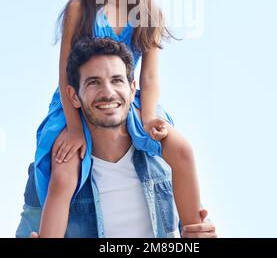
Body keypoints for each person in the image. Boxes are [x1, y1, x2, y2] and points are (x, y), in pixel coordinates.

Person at [34, 0, 202, 237]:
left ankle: (196, 229)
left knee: (179, 147)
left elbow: (149, 74)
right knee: (64, 169)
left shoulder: (148, 11)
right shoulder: (79, 9)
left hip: (129, 97)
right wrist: (74, 128)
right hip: (79, 99)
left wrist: (149, 116)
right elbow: (64, 75)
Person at [16, 37, 217, 238]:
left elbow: (195, 233)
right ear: (74, 96)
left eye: (117, 80)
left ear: (132, 89)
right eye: (94, 82)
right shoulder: (52, 172)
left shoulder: (165, 161)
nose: (108, 93)